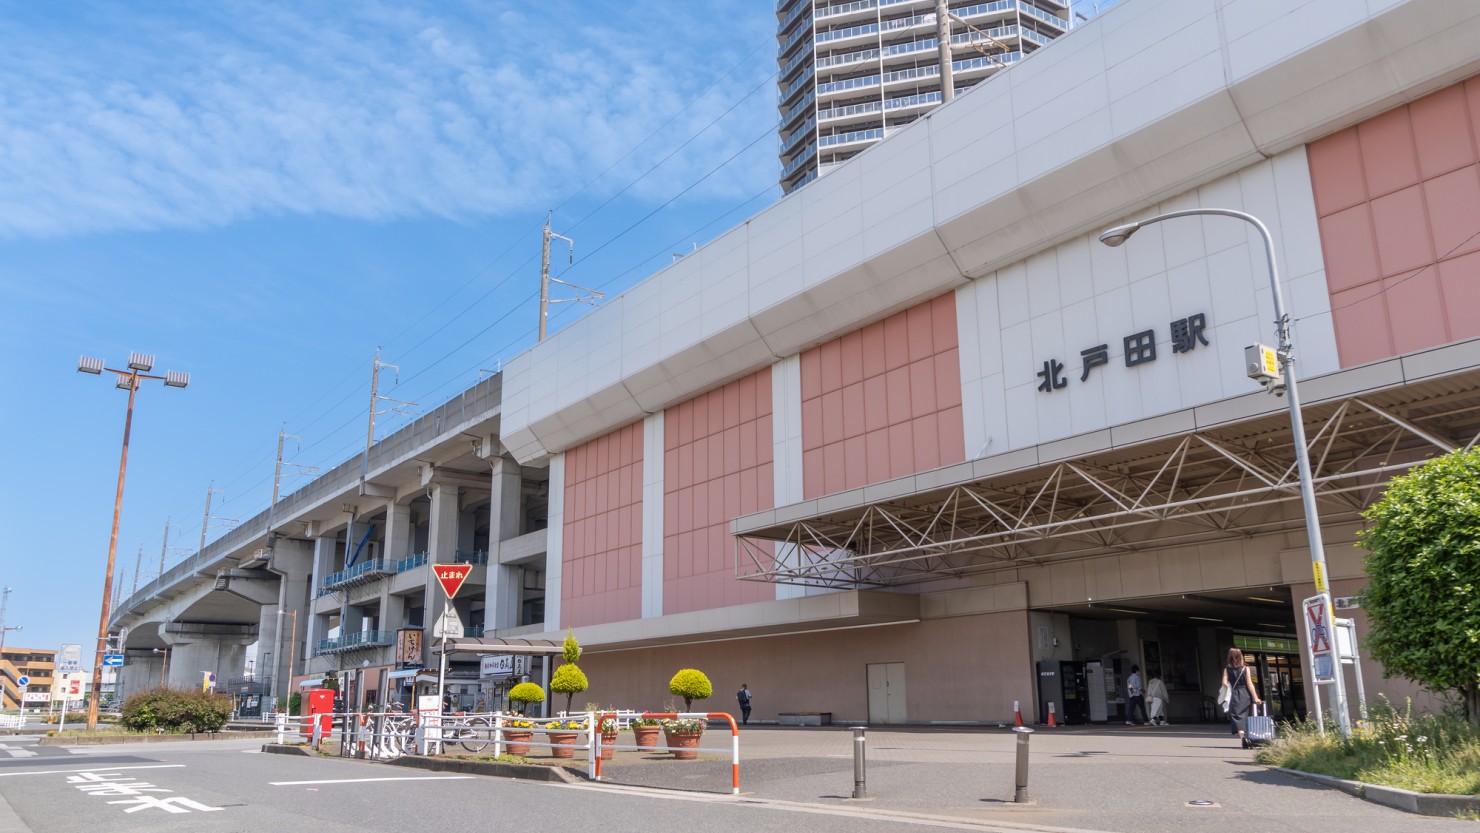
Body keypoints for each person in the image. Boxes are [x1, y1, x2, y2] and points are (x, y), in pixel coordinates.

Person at [1224, 647, 1263, 747]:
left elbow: (1224, 683)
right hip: (1245, 694)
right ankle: (1252, 737)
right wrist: (1255, 698)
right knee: (1247, 716)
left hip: (1234, 695)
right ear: (1240, 656)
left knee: (1237, 717)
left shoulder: (1227, 669)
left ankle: (1243, 738)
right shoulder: (1245, 669)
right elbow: (1249, 684)